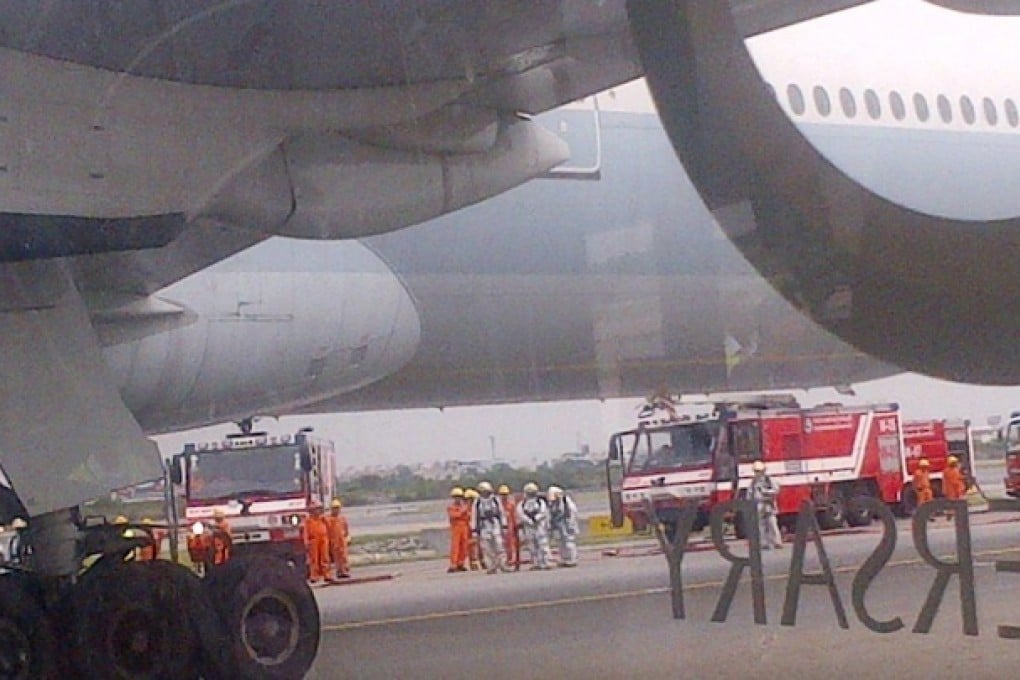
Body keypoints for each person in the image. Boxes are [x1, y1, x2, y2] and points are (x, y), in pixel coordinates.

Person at [472, 481, 508, 574]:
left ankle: (503, 564)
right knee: (487, 548)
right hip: (484, 525)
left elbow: (501, 513)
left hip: (495, 524)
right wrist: (474, 530)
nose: (485, 493)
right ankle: (491, 566)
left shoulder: (495, 500)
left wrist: (504, 526)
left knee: (499, 545)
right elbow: (474, 516)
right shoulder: (477, 502)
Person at [516, 482, 553, 570]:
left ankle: (546, 562)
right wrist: (528, 520)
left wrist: (536, 518)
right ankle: (536, 563)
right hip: (528, 527)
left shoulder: (540, 502)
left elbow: (543, 512)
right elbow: (520, 513)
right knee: (532, 546)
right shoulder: (522, 503)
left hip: (539, 526)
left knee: (543, 544)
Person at [750, 460, 782, 550]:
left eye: (759, 471)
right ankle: (764, 543)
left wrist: (766, 492)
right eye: (756, 471)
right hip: (759, 505)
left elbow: (776, 490)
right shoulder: (753, 482)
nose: (757, 473)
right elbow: (750, 493)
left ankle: (777, 542)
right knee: (761, 525)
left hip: (768, 504)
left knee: (772, 524)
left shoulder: (769, 480)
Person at [547, 485, 579, 567]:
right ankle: (564, 559)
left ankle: (572, 559)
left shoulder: (567, 502)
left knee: (569, 542)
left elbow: (572, 514)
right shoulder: (553, 503)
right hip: (560, 526)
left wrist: (571, 525)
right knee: (561, 543)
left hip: (567, 525)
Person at [304, 503, 330, 583]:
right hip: (313, 540)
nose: (317, 511)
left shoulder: (323, 519)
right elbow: (305, 532)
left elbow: (329, 528)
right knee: (314, 559)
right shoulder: (308, 520)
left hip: (323, 539)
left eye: (318, 509)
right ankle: (314, 576)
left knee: (325, 557)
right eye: (315, 509)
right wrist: (306, 541)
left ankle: (326, 574)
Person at [446, 487, 471, 572]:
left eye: (459, 496)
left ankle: (461, 563)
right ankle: (454, 564)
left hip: (464, 527)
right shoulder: (451, 507)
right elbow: (454, 515)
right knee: (455, 546)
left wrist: (464, 512)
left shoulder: (464, 506)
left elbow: (468, 516)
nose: (458, 498)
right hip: (456, 527)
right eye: (456, 496)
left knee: (464, 546)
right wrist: (462, 512)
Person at [326, 498, 351, 578]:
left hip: (342, 540)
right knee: (337, 557)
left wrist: (348, 537)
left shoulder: (342, 518)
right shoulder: (328, 519)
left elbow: (346, 529)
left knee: (344, 556)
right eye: (334, 508)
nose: (336, 510)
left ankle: (344, 570)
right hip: (334, 540)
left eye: (337, 508)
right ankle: (339, 571)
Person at [497, 484, 518, 568]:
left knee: (510, 544)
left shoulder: (511, 505)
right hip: (499, 526)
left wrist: (515, 526)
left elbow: (514, 516)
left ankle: (510, 559)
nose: (504, 496)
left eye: (505, 494)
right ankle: (502, 560)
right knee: (500, 544)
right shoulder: (497, 505)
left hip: (510, 526)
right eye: (502, 494)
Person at [463, 488, 483, 570]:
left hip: (475, 528)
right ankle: (473, 563)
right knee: (471, 547)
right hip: (467, 529)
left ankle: (481, 561)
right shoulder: (466, 508)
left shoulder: (476, 507)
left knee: (479, 546)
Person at [942, 455, 966, 520]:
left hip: (952, 489)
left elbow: (958, 477)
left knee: (952, 503)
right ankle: (952, 514)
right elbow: (956, 480)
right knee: (956, 502)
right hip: (954, 489)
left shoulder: (947, 471)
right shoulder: (953, 471)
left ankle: (951, 514)